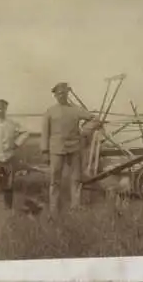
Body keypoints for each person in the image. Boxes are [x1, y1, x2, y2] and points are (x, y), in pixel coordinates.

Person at [41, 82, 97, 216]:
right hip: (56, 149)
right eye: (59, 93)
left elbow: (94, 119)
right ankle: (54, 210)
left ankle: (75, 208)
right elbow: (45, 133)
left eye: (64, 93)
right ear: (55, 95)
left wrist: (85, 131)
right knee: (55, 180)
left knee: (76, 178)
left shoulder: (75, 110)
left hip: (74, 148)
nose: (62, 95)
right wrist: (44, 151)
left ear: (68, 94)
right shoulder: (50, 111)